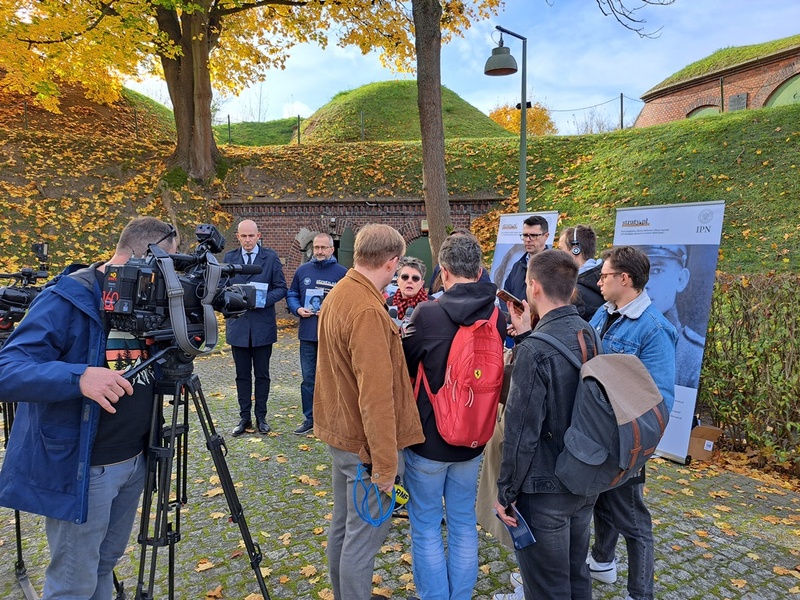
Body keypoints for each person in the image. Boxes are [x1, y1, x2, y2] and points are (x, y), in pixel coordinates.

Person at [0, 217, 179, 599]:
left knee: (104, 566)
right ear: (146, 256)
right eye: (169, 263)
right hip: (85, 467)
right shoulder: (66, 298)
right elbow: (7, 370)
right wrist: (79, 377)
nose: (172, 276)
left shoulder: (152, 297)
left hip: (135, 459)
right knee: (73, 581)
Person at [314, 223, 425, 600]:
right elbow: (375, 397)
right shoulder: (366, 310)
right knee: (362, 541)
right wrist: (384, 466)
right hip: (364, 446)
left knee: (345, 530)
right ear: (392, 262)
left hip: (344, 436)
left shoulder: (342, 292)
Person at [401, 233, 505, 600]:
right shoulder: (497, 313)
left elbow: (405, 365)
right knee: (462, 524)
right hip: (473, 438)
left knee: (427, 527)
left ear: (443, 272)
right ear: (478, 271)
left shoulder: (427, 313)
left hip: (429, 439)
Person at [494, 250, 600, 600]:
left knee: (547, 588)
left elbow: (521, 432)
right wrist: (527, 336)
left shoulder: (536, 351)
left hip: (545, 488)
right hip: (584, 474)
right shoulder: (587, 331)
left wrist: (505, 493)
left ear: (534, 287)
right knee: (576, 574)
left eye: (526, 285)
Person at [587, 246, 677, 600]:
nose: (599, 281)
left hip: (627, 441)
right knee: (602, 501)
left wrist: (634, 448)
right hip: (598, 432)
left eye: (605, 275)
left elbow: (659, 401)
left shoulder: (656, 329)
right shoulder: (603, 312)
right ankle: (602, 561)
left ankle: (641, 593)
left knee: (633, 519)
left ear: (624, 279)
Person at [223, 219, 287, 436]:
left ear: (259, 236)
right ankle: (244, 418)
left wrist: (263, 300)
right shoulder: (230, 258)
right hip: (238, 325)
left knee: (262, 375)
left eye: (251, 236)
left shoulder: (270, 257)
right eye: (244, 236)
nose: (248, 240)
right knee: (242, 376)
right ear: (238, 237)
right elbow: (221, 288)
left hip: (262, 325)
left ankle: (261, 417)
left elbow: (281, 288)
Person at [285, 233, 346, 435]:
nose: (319, 251)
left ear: (332, 249)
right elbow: (292, 294)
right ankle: (309, 418)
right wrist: (297, 309)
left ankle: (332, 419)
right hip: (308, 334)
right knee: (309, 378)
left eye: (323, 247)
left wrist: (332, 311)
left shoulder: (342, 273)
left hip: (331, 335)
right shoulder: (303, 271)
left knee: (333, 378)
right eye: (316, 247)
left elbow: (347, 301)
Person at [640, 245, 706, 388]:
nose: (645, 283)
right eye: (640, 272)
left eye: (657, 270)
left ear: (681, 279)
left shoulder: (692, 355)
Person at [558, 224, 604, 321]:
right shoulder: (602, 275)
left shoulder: (576, 292)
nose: (559, 255)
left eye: (561, 249)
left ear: (576, 250)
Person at [501, 215, 550, 303]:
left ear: (546, 236)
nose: (528, 239)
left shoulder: (554, 266)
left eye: (533, 235)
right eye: (525, 235)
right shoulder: (517, 266)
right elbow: (506, 295)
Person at [387, 256, 429, 320]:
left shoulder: (433, 304)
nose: (409, 281)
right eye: (405, 277)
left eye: (415, 278)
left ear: (421, 283)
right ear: (398, 281)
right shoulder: (387, 304)